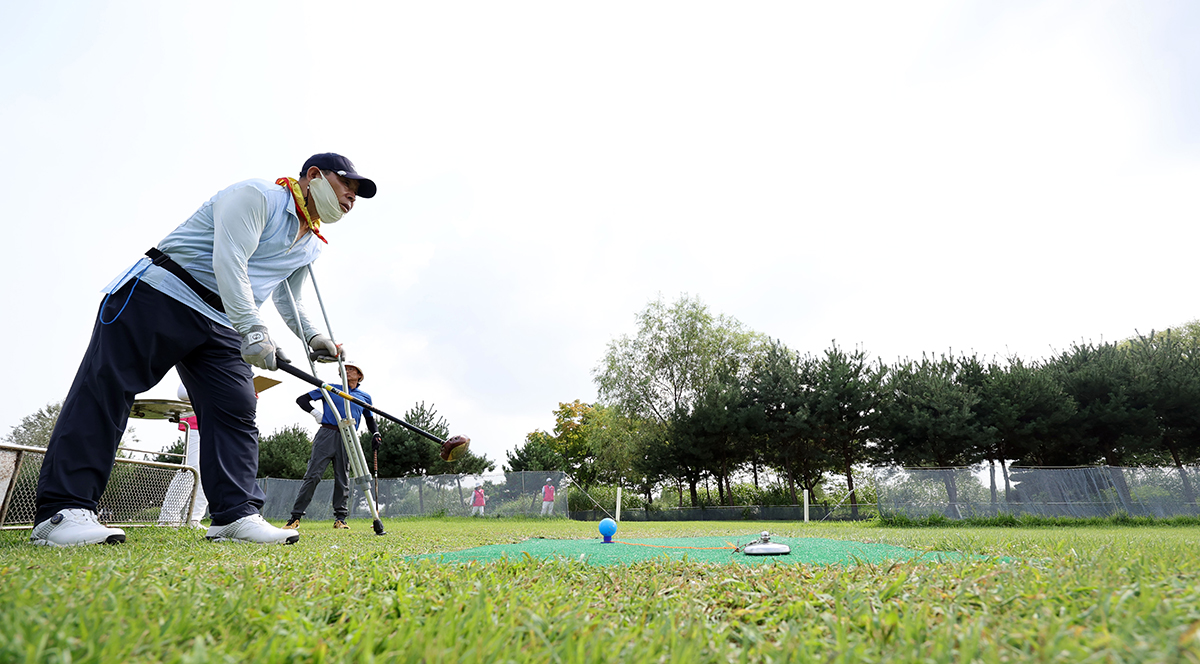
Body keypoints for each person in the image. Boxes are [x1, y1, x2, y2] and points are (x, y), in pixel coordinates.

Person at [32, 153, 376, 547]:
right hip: (161, 292)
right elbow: (230, 261)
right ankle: (63, 513)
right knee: (107, 390)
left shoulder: (310, 243)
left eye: (356, 194)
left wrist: (314, 339)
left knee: (236, 408)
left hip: (224, 320)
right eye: (347, 185)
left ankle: (234, 515)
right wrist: (254, 330)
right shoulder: (258, 195)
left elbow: (289, 299)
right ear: (314, 176)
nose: (351, 197)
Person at [283, 360, 379, 530]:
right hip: (327, 434)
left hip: (348, 436)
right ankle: (295, 518)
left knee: (343, 478)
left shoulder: (364, 396)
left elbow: (370, 419)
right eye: (345, 369)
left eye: (351, 369)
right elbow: (302, 400)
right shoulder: (330, 388)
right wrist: (316, 414)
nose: (347, 371)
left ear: (359, 375)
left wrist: (376, 434)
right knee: (313, 475)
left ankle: (340, 519)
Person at [158, 383, 209, 528]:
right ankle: (168, 518)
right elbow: (183, 391)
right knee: (191, 468)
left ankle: (193, 519)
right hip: (197, 421)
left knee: (210, 471)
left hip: (221, 423)